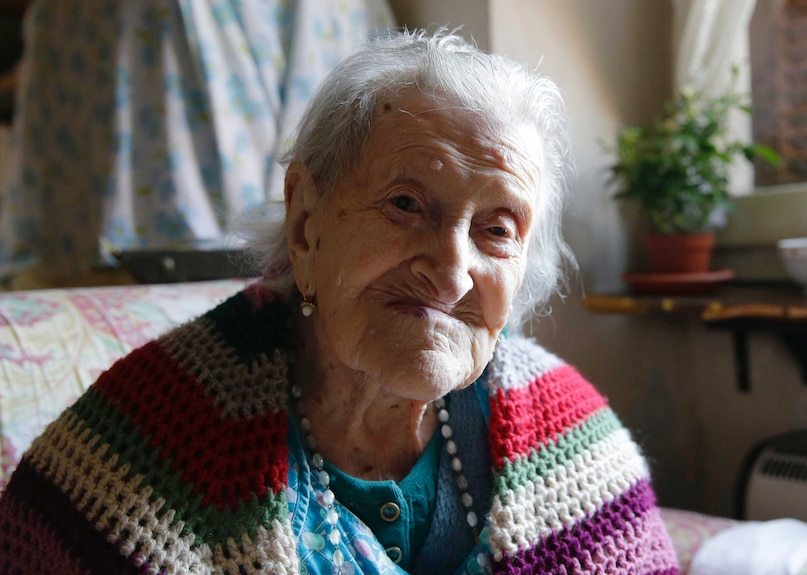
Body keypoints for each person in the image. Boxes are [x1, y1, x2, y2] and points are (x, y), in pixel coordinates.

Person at [0, 30, 680, 574]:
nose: (451, 272)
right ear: (305, 222)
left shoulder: (572, 435)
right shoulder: (145, 438)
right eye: (406, 205)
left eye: (496, 229)